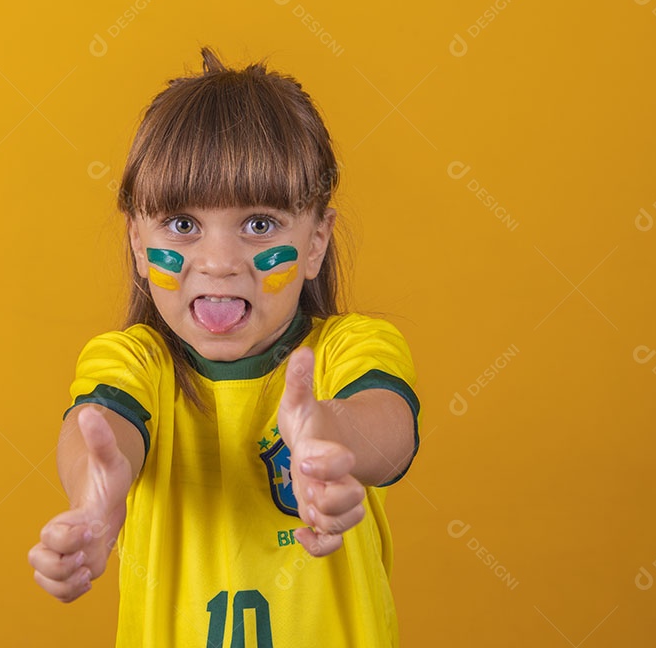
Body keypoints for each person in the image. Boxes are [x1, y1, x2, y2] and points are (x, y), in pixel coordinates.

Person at [28, 46, 421, 647]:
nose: (217, 263)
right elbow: (101, 427)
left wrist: (327, 432)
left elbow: (388, 430)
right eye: (182, 225)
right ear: (138, 241)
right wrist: (94, 497)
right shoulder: (134, 361)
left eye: (259, 224)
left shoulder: (348, 347)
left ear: (316, 241)